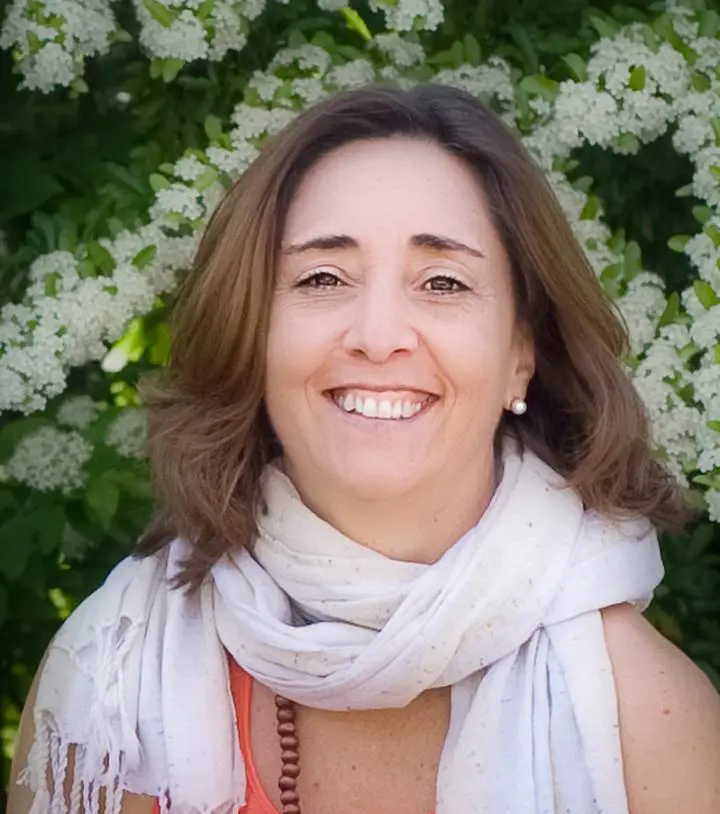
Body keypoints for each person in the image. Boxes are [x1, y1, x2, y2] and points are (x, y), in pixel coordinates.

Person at [8, 83, 720, 814]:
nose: (378, 336)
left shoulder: (649, 721)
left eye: (443, 282)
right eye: (323, 277)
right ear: (252, 332)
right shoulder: (111, 678)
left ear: (521, 354)